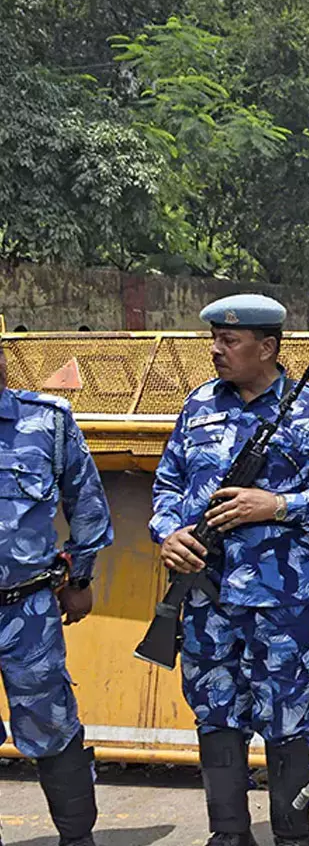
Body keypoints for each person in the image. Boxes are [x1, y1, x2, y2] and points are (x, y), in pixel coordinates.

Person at [151, 294, 309, 846]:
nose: (216, 350)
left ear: (267, 347)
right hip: (206, 593)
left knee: (287, 717)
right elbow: (168, 486)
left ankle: (292, 838)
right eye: (215, 340)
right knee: (215, 712)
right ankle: (228, 835)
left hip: (283, 599)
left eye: (230, 341)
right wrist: (169, 533)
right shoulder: (199, 404)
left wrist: (277, 505)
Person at [0, 343, 113, 846]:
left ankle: (77, 838)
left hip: (28, 610)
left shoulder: (46, 421)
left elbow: (86, 503)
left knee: (53, 725)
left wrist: (80, 580)